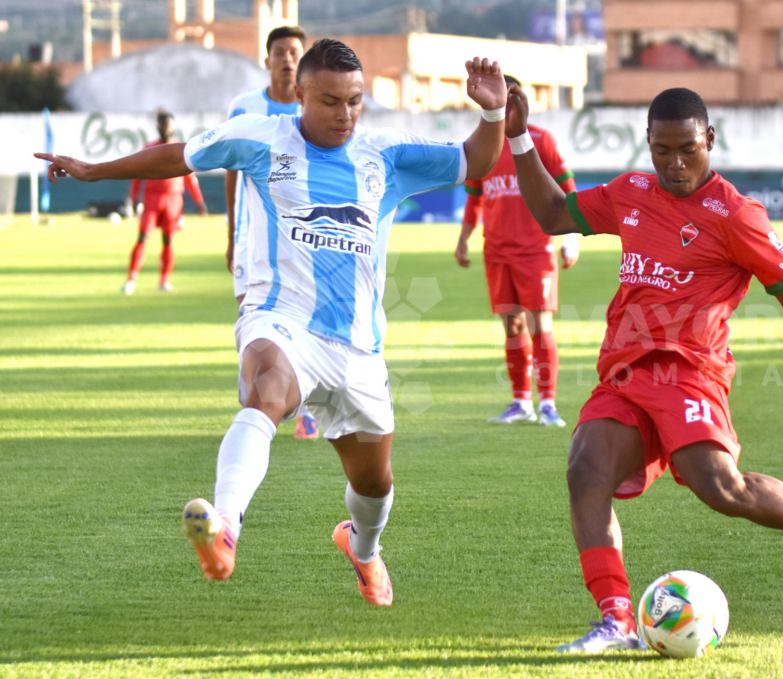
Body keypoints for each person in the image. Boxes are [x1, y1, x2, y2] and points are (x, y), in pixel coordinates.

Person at [38, 39, 509, 606]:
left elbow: (475, 160)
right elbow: (182, 155)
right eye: (330, 101)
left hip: (359, 346)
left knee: (374, 484)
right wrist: (93, 171)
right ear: (300, 96)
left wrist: (492, 112)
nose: (345, 114)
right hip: (280, 318)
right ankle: (224, 529)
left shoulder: (387, 154)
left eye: (354, 101)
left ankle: (362, 549)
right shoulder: (261, 138)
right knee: (268, 390)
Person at [506, 86, 783, 653]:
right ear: (648, 143)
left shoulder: (735, 214)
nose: (675, 164)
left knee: (722, 488)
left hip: (690, 371)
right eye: (662, 150)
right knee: (585, 470)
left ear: (709, 139)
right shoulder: (630, 192)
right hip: (626, 373)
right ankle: (617, 620)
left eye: (689, 149)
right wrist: (516, 133)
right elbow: (553, 213)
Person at [455, 74, 579, 427]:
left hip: (536, 249)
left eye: (510, 98)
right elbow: (475, 199)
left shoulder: (540, 140)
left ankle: (548, 404)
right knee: (512, 326)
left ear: (521, 100)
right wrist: (464, 238)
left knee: (539, 324)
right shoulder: (481, 146)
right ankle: (521, 401)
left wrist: (571, 238)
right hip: (496, 251)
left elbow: (569, 188)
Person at [225, 26, 319, 440]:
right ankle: (257, 397)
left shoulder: (313, 109)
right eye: (279, 52)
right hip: (251, 236)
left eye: (294, 52)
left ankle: (306, 410)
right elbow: (230, 167)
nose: (287, 59)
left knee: (304, 316)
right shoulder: (244, 109)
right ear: (267, 59)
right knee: (252, 316)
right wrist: (231, 232)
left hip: (301, 236)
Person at [122, 111, 207, 294]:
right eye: (163, 124)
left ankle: (164, 280)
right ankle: (131, 279)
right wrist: (134, 198)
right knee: (143, 237)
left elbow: (190, 178)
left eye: (169, 125)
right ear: (158, 126)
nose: (166, 128)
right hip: (152, 198)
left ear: (173, 127)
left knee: (168, 240)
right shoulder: (149, 148)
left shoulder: (180, 149)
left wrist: (199, 201)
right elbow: (137, 174)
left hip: (173, 200)